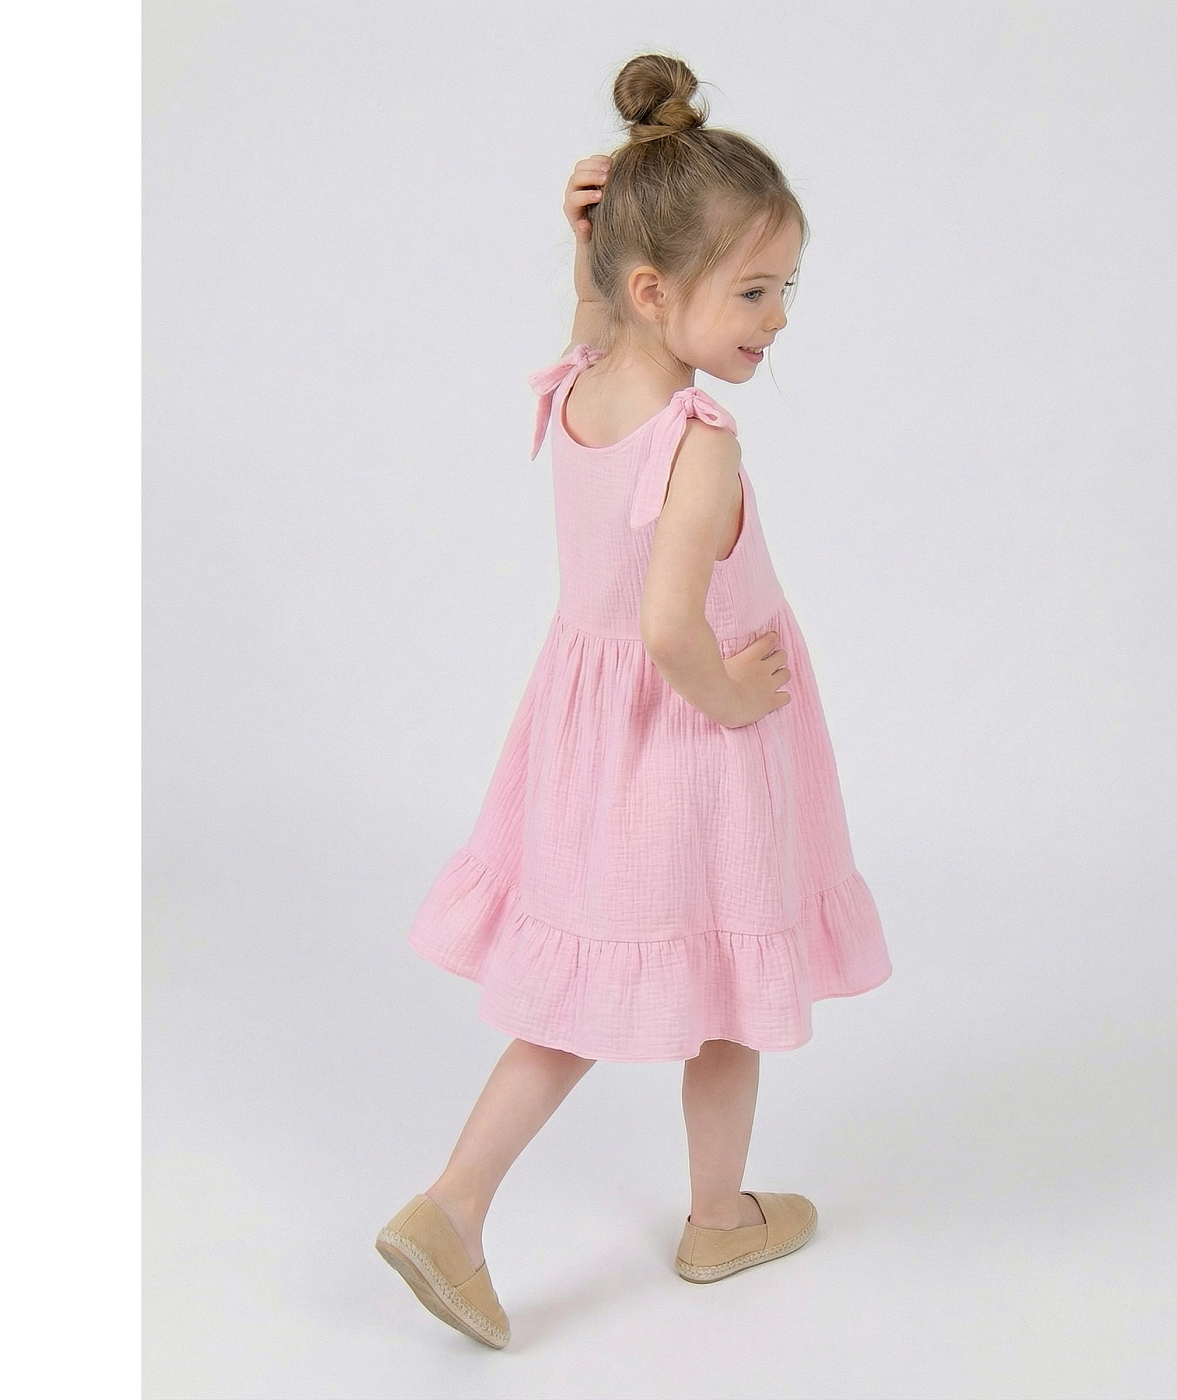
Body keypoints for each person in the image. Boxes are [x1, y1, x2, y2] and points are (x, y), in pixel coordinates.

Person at [375, 52, 892, 1349]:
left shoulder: (592, 379)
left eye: (786, 289)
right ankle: (687, 1216)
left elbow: (598, 318)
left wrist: (589, 253)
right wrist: (736, 698)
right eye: (754, 291)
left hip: (587, 743)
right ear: (658, 290)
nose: (779, 318)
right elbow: (671, 627)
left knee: (586, 996)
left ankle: (479, 1204)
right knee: (727, 980)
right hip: (692, 749)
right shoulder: (697, 441)